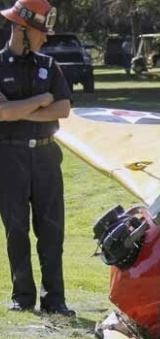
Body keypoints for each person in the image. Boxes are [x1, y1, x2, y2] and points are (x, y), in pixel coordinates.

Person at [0, 0, 74, 316]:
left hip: (46, 154)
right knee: (16, 228)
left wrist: (22, 108)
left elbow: (64, 108)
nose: (45, 38)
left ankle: (55, 299)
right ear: (21, 29)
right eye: (40, 32)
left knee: (52, 228)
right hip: (9, 155)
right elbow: (2, 113)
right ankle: (23, 296)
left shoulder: (48, 65)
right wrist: (42, 99)